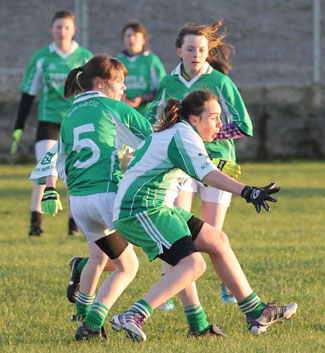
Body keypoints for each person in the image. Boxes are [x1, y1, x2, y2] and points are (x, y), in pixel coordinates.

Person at [109, 91, 297, 342]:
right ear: (194, 119)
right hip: (140, 210)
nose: (220, 125)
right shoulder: (183, 134)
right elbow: (206, 175)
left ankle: (256, 312)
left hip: (159, 208)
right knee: (193, 264)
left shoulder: (181, 132)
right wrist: (248, 191)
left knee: (216, 240)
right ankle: (133, 315)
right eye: (215, 118)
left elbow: (201, 167)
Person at [33, 54, 152, 340]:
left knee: (99, 257)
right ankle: (93, 323)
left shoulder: (70, 115)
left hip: (80, 204)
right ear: (100, 83)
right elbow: (154, 138)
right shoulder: (112, 107)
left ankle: (85, 311)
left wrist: (50, 189)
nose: (124, 88)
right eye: (119, 81)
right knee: (133, 263)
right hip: (107, 196)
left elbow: (52, 158)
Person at [147, 19, 252, 305]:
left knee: (212, 235)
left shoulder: (220, 82)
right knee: (175, 229)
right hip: (181, 166)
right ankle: (169, 288)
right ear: (179, 51)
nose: (196, 54)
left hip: (217, 165)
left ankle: (227, 286)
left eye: (201, 49)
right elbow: (153, 120)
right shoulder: (169, 83)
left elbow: (244, 125)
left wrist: (208, 136)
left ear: (207, 53)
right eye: (190, 49)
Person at [11, 10, 92, 236]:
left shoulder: (84, 57)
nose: (62, 31)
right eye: (58, 27)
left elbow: (94, 93)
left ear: (73, 30)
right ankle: (36, 224)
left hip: (75, 121)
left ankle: (74, 225)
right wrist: (18, 125)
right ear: (51, 30)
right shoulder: (41, 58)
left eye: (66, 27)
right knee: (45, 168)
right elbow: (28, 92)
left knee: (74, 171)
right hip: (48, 120)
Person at [117, 21, 166, 117]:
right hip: (124, 114)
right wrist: (121, 97)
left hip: (147, 115)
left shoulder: (151, 60)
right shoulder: (118, 61)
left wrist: (142, 99)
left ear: (143, 39)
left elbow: (162, 87)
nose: (131, 39)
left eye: (135, 35)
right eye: (128, 36)